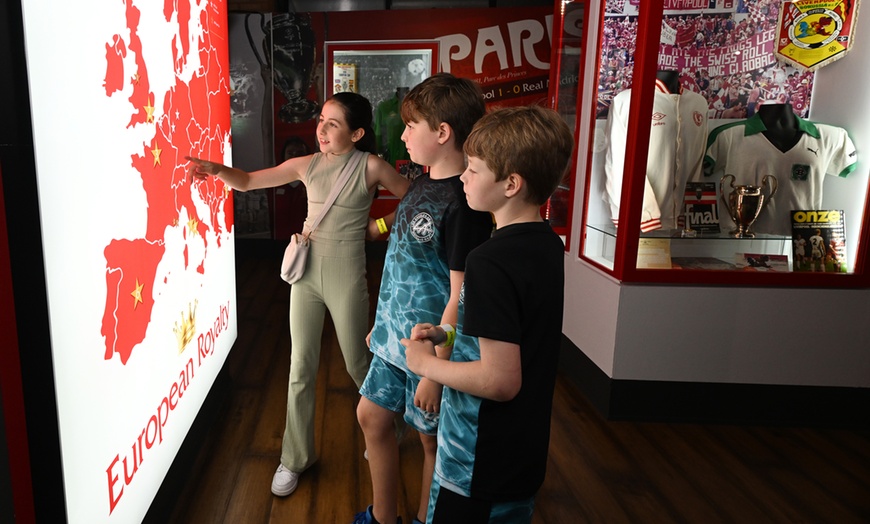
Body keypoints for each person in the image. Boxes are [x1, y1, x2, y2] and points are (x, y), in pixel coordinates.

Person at [186, 91, 410, 497]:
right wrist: (217, 170)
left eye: (332, 124)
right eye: (321, 120)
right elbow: (251, 181)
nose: (320, 129)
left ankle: (391, 424)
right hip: (305, 274)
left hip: (346, 272)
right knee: (300, 366)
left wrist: (378, 227)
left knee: (358, 362)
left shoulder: (371, 166)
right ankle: (294, 457)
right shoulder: (306, 164)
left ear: (357, 133)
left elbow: (413, 197)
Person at [403, 104, 574, 524]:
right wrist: (447, 338)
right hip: (521, 454)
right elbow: (514, 333)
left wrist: (427, 365)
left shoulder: (489, 261)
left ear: (511, 183)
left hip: (479, 463)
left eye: (474, 169)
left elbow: (500, 380)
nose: (463, 176)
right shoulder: (545, 244)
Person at [354, 73, 493, 524]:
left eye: (412, 125)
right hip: (394, 340)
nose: (403, 133)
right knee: (371, 417)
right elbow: (401, 266)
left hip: (430, 349)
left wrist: (438, 368)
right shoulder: (419, 182)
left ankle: (422, 519)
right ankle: (382, 517)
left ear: (442, 133)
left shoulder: (464, 204)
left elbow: (460, 293)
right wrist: (383, 322)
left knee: (429, 440)